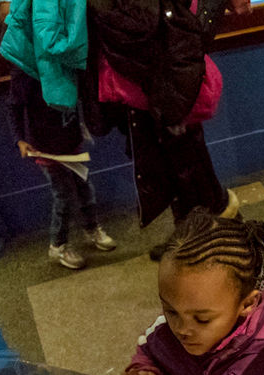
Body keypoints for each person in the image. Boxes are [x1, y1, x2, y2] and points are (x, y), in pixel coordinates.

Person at [87, 0, 247, 259]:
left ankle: (217, 239)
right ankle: (194, 234)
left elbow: (142, 24)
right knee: (174, 160)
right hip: (154, 72)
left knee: (186, 157)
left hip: (167, 68)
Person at [121, 209, 264, 375]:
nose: (182, 330)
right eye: (171, 311)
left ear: (247, 304)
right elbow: (151, 352)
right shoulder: (165, 333)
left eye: (202, 319)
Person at [0, 2, 116, 270]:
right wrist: (19, 139)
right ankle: (57, 246)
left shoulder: (53, 60)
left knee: (84, 188)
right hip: (47, 149)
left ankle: (91, 229)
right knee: (63, 198)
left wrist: (82, 124)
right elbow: (13, 106)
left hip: (70, 140)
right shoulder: (24, 71)